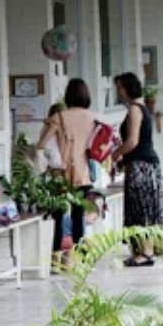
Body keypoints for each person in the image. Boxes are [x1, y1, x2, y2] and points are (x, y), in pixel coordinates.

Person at [37, 79, 99, 254]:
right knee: (78, 215)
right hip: (84, 172)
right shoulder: (92, 117)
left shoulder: (59, 118)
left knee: (58, 213)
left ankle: (56, 253)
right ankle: (80, 254)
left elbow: (42, 143)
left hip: (61, 173)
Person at [112, 73, 163, 267]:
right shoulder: (141, 108)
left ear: (126, 89)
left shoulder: (135, 110)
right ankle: (144, 249)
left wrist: (116, 153)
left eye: (119, 88)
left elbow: (132, 141)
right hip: (142, 163)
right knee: (143, 205)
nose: (118, 92)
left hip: (141, 164)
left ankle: (147, 251)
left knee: (142, 206)